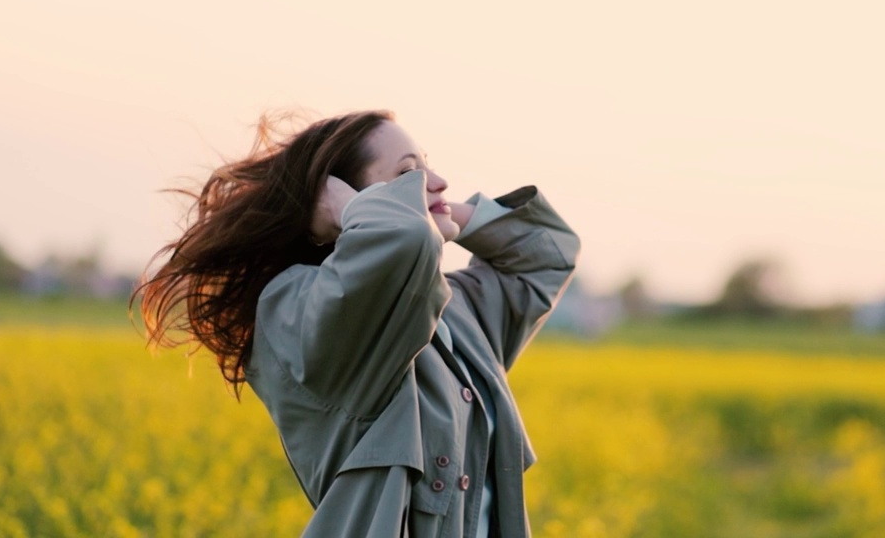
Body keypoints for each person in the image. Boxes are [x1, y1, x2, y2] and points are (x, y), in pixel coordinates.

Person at [133, 110, 580, 537]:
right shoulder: (297, 308)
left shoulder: (458, 310)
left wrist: (443, 210)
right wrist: (348, 210)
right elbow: (404, 238)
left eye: (429, 168)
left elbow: (546, 253)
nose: (438, 182)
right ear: (341, 208)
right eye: (409, 176)